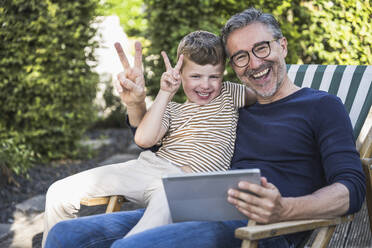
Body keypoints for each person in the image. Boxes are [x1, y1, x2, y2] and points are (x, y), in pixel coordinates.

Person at [44, 7, 365, 248]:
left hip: (260, 229)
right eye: (240, 57)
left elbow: (351, 189)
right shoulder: (232, 105)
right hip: (195, 208)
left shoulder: (321, 105)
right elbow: (157, 143)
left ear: (281, 45)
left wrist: (283, 209)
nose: (253, 64)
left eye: (261, 48)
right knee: (64, 234)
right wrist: (137, 102)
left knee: (134, 245)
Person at [42, 30, 256, 247]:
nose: (205, 85)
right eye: (195, 76)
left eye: (214, 76)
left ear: (223, 74)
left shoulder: (229, 94)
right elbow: (143, 140)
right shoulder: (171, 108)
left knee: (144, 229)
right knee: (58, 192)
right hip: (147, 168)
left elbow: (265, 92)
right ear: (180, 74)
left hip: (187, 182)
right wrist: (165, 93)